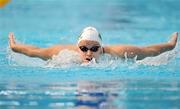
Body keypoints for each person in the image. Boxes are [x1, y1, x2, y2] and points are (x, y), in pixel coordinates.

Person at [9, 27, 178, 63]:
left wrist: (170, 45)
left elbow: (149, 51)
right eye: (83, 48)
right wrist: (15, 47)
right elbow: (35, 51)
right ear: (77, 48)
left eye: (94, 48)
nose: (88, 53)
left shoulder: (119, 53)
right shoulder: (63, 53)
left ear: (101, 48)